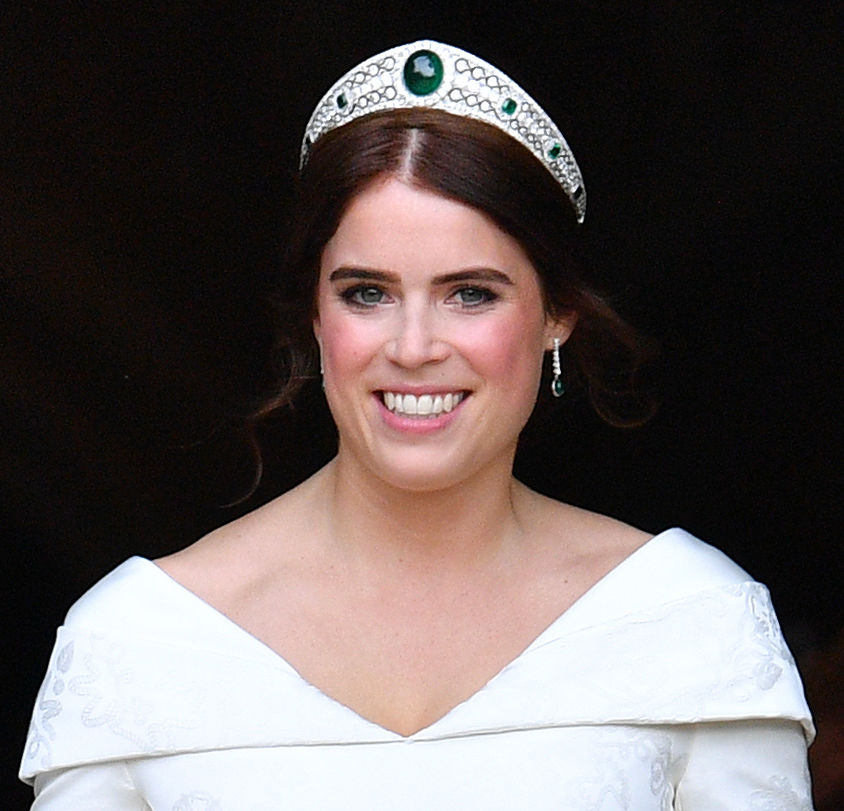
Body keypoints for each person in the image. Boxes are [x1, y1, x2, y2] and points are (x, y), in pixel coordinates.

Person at [20, 40, 814, 809]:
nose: (413, 348)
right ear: (313, 311)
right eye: (368, 292)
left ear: (558, 313)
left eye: (470, 293)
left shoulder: (692, 623)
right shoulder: (136, 641)